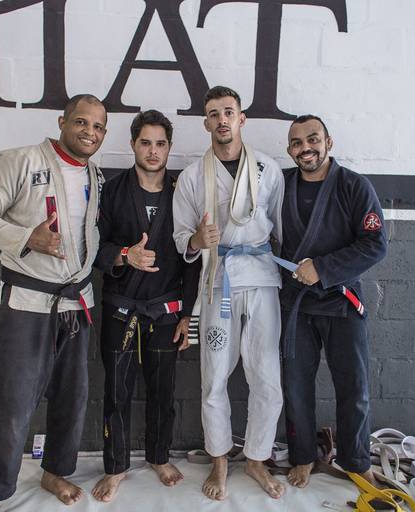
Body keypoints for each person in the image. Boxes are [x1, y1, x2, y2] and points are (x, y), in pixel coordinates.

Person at [0, 94, 108, 511]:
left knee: (71, 399)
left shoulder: (96, 176)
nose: (89, 132)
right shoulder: (19, 161)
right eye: (81, 122)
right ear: (62, 122)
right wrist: (26, 237)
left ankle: (55, 472)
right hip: (27, 303)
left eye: (98, 127)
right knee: (12, 404)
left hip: (76, 302)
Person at [172, 86, 285, 500]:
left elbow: (280, 228)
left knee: (266, 376)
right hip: (216, 281)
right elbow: (180, 238)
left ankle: (256, 458)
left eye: (228, 112)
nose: (222, 120)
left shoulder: (269, 170)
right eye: (213, 114)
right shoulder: (190, 177)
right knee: (214, 376)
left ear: (241, 119)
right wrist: (198, 240)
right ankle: (219, 460)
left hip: (262, 279)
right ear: (206, 123)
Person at [90, 110, 200, 502]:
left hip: (167, 309)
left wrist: (188, 315)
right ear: (133, 145)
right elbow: (94, 246)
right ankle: (116, 466)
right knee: (116, 391)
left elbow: (193, 260)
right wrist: (124, 255)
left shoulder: (182, 193)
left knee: (162, 390)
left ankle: (159, 457)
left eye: (160, 143)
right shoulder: (112, 191)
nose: (153, 151)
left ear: (169, 147)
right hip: (121, 306)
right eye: (145, 143)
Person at [278, 115, 387, 488]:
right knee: (295, 387)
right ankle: (303, 456)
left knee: (353, 388)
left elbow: (375, 244)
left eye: (313, 139)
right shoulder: (281, 185)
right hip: (296, 305)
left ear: (329, 142)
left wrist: (323, 268)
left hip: (342, 302)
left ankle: (356, 460)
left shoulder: (354, 186)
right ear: (289, 149)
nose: (305, 148)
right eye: (296, 143)